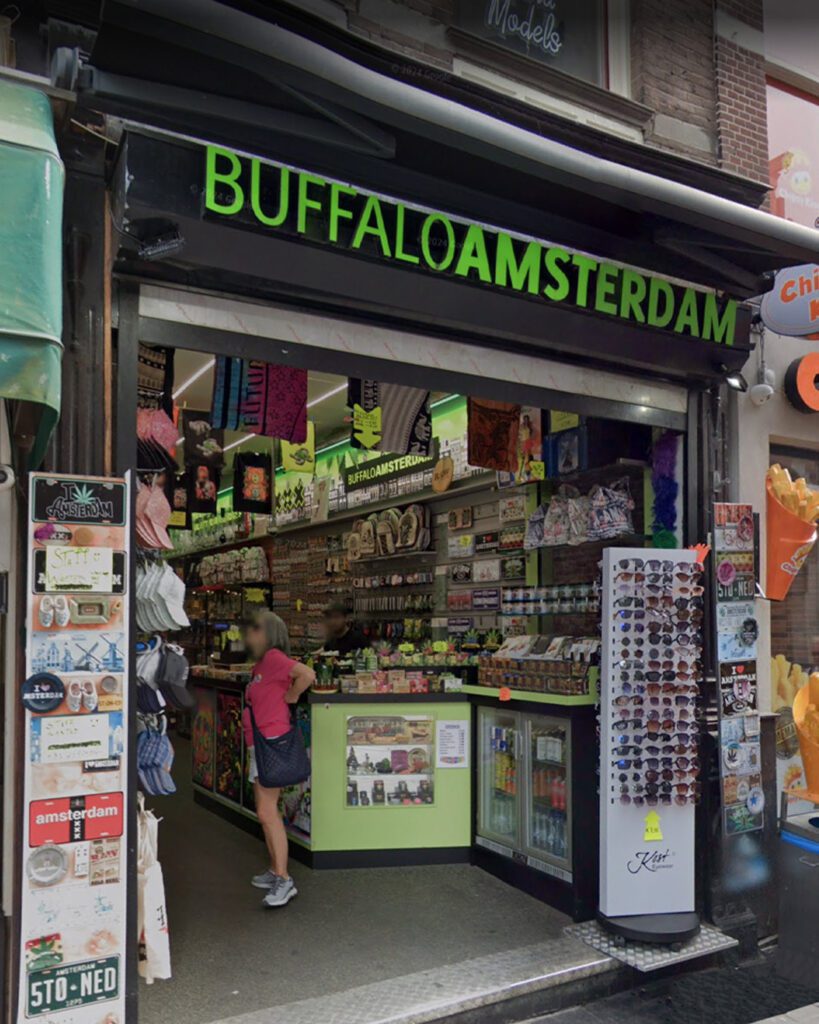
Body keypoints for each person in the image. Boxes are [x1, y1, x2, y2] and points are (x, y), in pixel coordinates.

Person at [243, 610, 315, 908]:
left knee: (267, 811)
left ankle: (284, 879)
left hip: (272, 743)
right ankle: (275, 870)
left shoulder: (273, 658)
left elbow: (307, 674)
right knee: (265, 812)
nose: (249, 635)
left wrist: (293, 695)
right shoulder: (260, 664)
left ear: (269, 634)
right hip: (260, 744)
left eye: (255, 630)